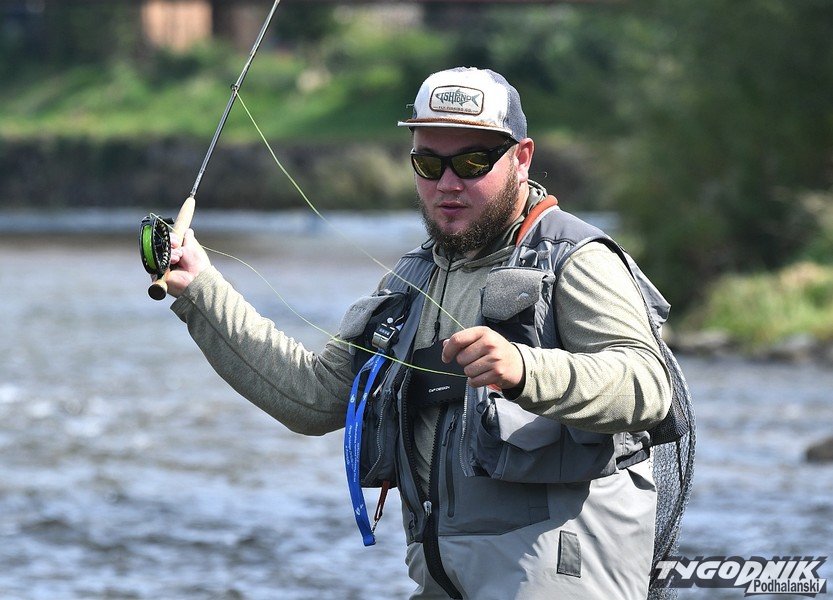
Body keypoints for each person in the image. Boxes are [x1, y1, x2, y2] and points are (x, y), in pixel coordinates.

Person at [163, 67, 673, 599]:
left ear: (522, 158)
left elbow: (647, 386)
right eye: (429, 164)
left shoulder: (577, 260)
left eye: (472, 163)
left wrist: (526, 370)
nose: (447, 183)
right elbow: (313, 399)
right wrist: (199, 288)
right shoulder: (410, 278)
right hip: (440, 579)